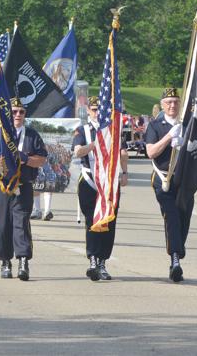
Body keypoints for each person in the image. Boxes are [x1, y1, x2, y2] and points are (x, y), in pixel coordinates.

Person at [0, 97, 47, 281]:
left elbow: (42, 160)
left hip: (22, 187)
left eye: (21, 112)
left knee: (21, 223)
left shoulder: (31, 135)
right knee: (1, 226)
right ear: (8, 113)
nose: (17, 115)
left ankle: (23, 261)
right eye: (14, 111)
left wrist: (25, 158)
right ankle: (5, 261)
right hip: (0, 187)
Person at [73, 96, 128, 281]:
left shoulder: (113, 130)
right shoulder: (82, 130)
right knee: (92, 220)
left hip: (110, 182)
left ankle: (103, 261)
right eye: (94, 109)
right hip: (90, 180)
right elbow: (77, 151)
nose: (97, 113)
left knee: (109, 222)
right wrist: (94, 144)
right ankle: (93, 259)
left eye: (100, 110)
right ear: (88, 110)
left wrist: (125, 172)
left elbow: (123, 151)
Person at [144, 87, 194, 283]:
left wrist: (185, 143)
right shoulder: (155, 126)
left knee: (184, 218)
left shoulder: (187, 124)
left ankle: (177, 252)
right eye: (168, 102)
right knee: (171, 216)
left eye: (175, 101)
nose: (172, 105)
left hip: (184, 180)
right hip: (163, 179)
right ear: (162, 104)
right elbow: (151, 152)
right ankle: (175, 260)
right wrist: (168, 138)